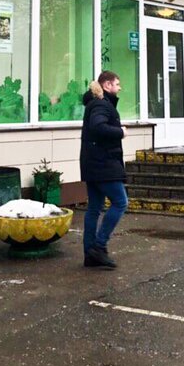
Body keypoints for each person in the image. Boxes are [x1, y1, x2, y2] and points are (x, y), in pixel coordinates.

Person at [79, 70, 127, 269]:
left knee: (94, 208)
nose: (119, 88)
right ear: (107, 85)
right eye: (117, 84)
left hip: (93, 163)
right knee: (121, 202)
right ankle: (99, 246)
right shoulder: (101, 104)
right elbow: (98, 127)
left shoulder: (96, 103)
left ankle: (90, 254)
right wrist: (120, 132)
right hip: (103, 164)